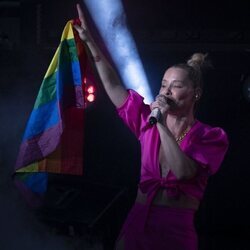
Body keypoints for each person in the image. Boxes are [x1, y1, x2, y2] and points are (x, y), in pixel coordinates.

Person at [74, 4, 229, 250]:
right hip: (139, 220)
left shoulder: (210, 136)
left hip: (175, 230)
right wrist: (89, 41)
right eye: (164, 84)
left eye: (176, 86)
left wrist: (162, 126)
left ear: (195, 94)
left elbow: (183, 172)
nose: (166, 90)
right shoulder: (147, 121)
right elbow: (113, 86)